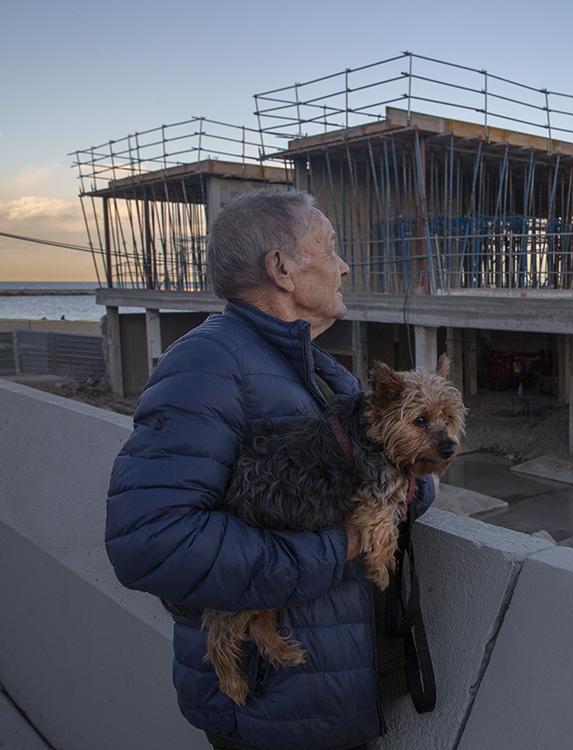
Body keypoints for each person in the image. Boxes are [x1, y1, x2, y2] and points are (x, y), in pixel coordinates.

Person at [105, 190, 435, 750]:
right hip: (271, 712)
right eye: (330, 248)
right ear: (281, 268)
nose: (344, 265)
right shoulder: (207, 363)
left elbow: (397, 483)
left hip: (332, 698)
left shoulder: (321, 371)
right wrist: (345, 545)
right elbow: (152, 541)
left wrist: (404, 487)